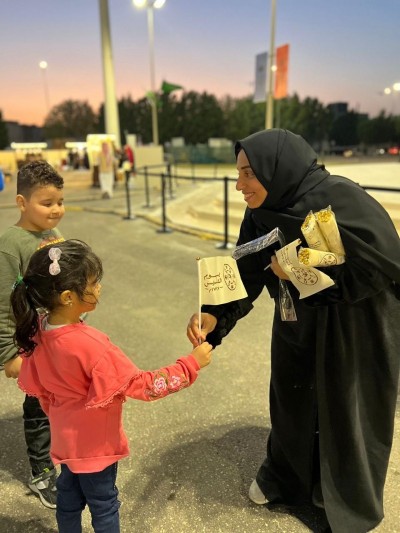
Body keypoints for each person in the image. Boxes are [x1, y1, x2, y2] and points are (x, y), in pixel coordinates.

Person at [186, 129, 400, 533]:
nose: (239, 185)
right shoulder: (261, 213)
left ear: (276, 169)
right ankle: (285, 479)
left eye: (249, 174)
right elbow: (246, 270)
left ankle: (348, 504)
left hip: (354, 324)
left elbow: (376, 270)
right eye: (238, 173)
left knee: (346, 408)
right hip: (296, 317)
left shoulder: (339, 199)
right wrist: (214, 316)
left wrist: (300, 265)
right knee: (291, 395)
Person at [11, 239, 212, 533]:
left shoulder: (38, 331)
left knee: (68, 499)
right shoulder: (91, 344)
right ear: (68, 297)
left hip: (64, 439)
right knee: (103, 504)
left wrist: (59, 413)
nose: (99, 288)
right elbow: (145, 385)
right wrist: (190, 364)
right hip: (96, 446)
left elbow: (39, 389)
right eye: (93, 283)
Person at [0, 160, 65, 509]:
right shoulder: (10, 245)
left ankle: (63, 455)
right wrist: (8, 354)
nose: (56, 210)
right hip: (32, 343)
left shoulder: (53, 235)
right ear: (22, 203)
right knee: (38, 407)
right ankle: (42, 473)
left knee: (61, 401)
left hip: (60, 339)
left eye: (60, 202)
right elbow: (2, 303)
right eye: (47, 203)